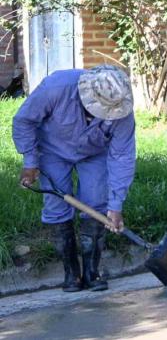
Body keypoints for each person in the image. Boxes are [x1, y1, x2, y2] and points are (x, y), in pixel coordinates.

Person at [14, 65, 136, 292]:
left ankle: (91, 272)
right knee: (56, 206)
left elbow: (122, 156)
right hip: (52, 150)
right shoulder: (57, 87)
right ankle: (71, 273)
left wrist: (116, 204)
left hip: (94, 152)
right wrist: (30, 162)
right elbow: (24, 120)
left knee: (97, 202)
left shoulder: (121, 108)